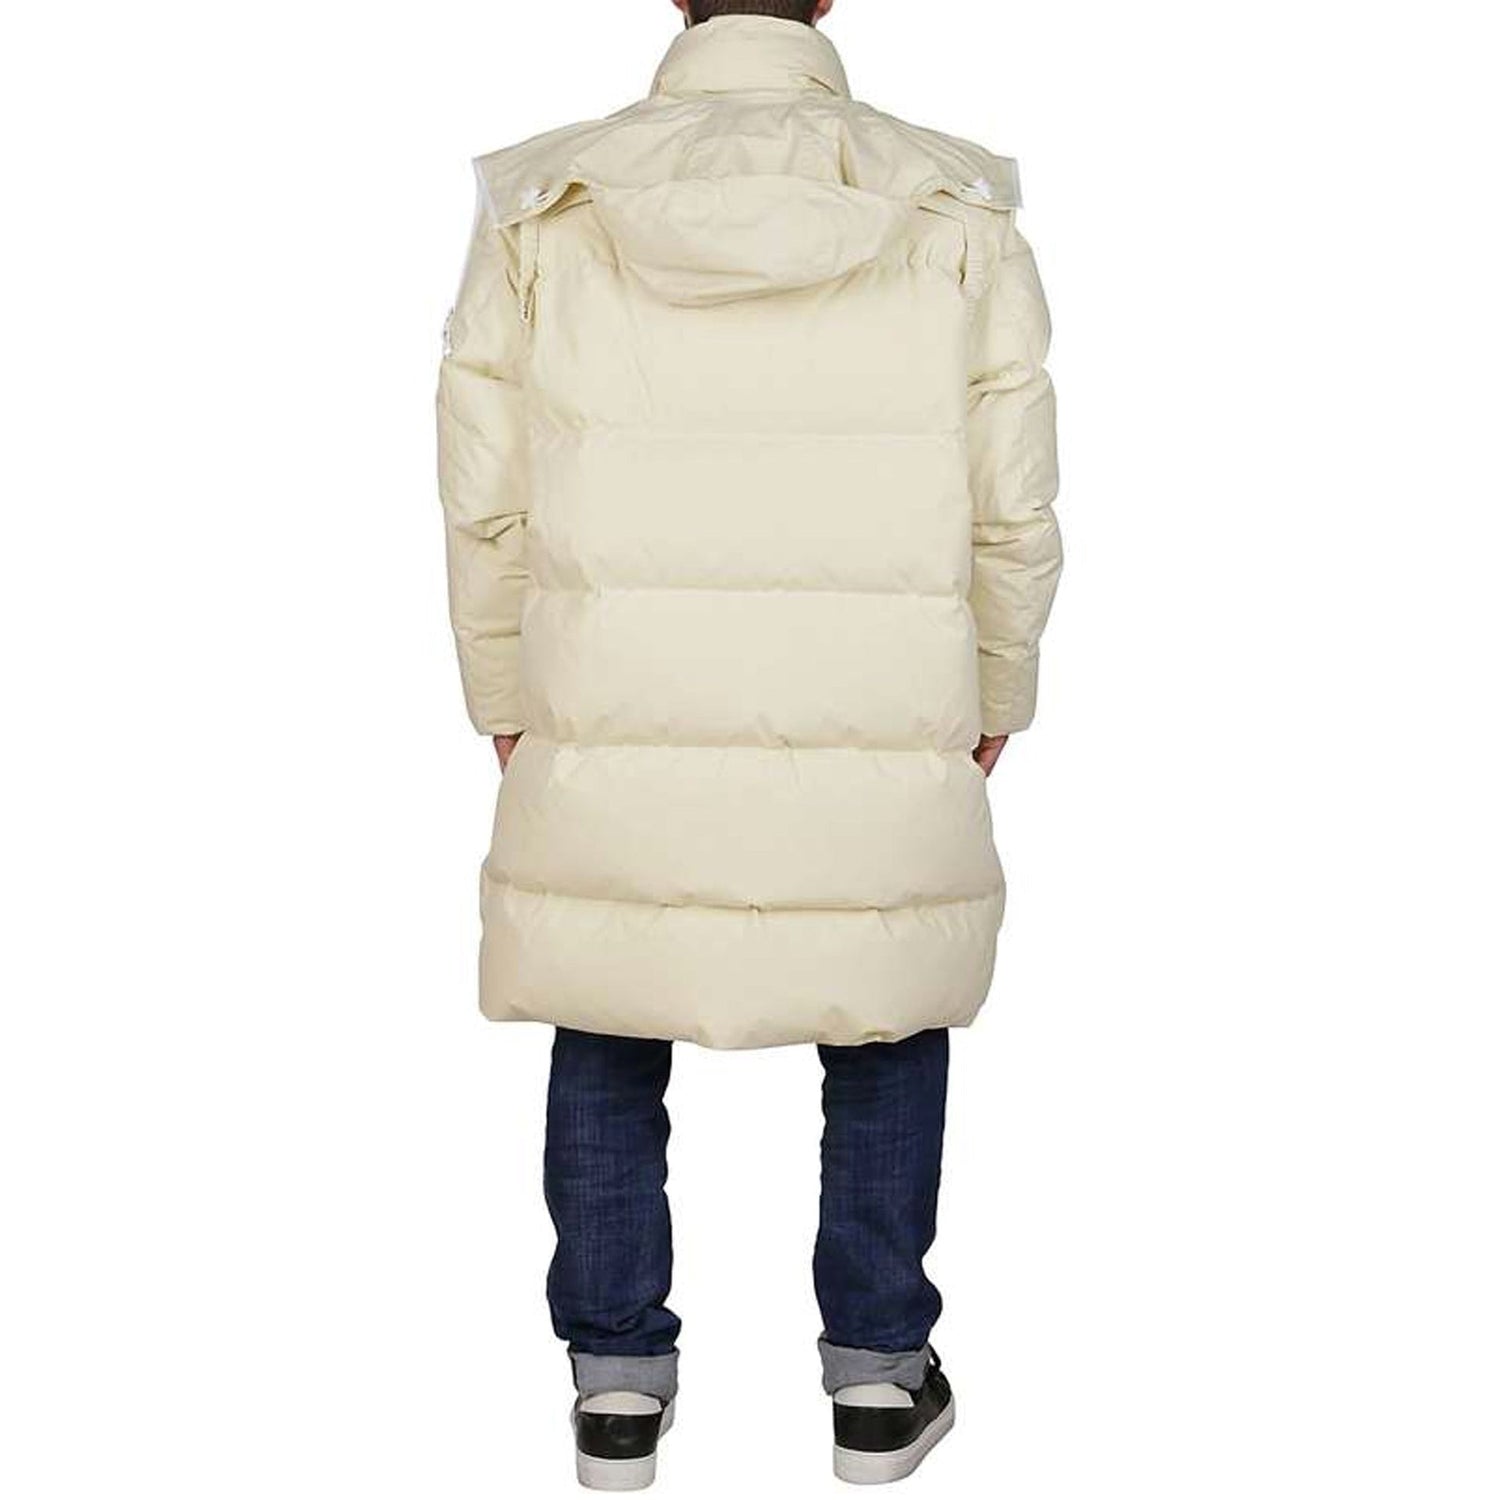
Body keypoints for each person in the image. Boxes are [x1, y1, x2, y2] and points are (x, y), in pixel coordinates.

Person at [435, 0, 1060, 1486]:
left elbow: (483, 486)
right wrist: (996, 685)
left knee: (608, 984)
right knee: (884, 986)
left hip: (615, 681)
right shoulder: (952, 204)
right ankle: (878, 1377)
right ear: (828, 0)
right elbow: (1013, 494)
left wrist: (507, 691)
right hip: (877, 680)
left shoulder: (548, 203)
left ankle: (615, 1388)